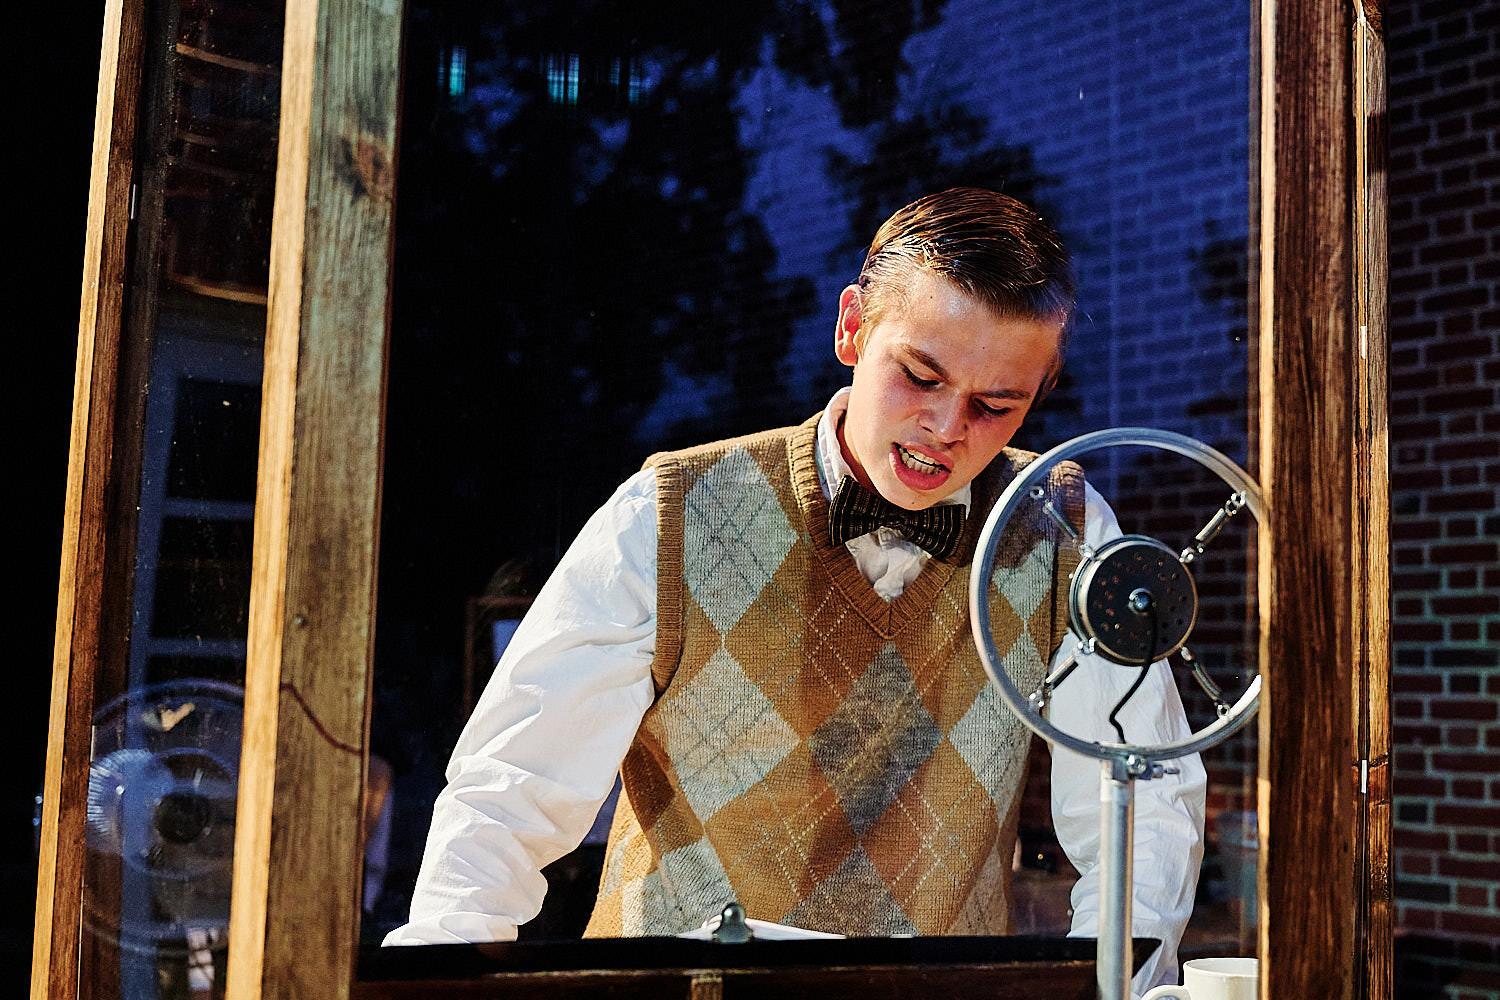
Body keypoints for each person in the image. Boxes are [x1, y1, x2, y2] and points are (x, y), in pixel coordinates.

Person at [385, 187, 1205, 992]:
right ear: (852, 326)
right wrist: (438, 977)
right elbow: (508, 793)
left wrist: (1114, 989)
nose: (948, 427)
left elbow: (1146, 813)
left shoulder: (1066, 532)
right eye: (920, 375)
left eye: (996, 405)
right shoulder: (669, 515)